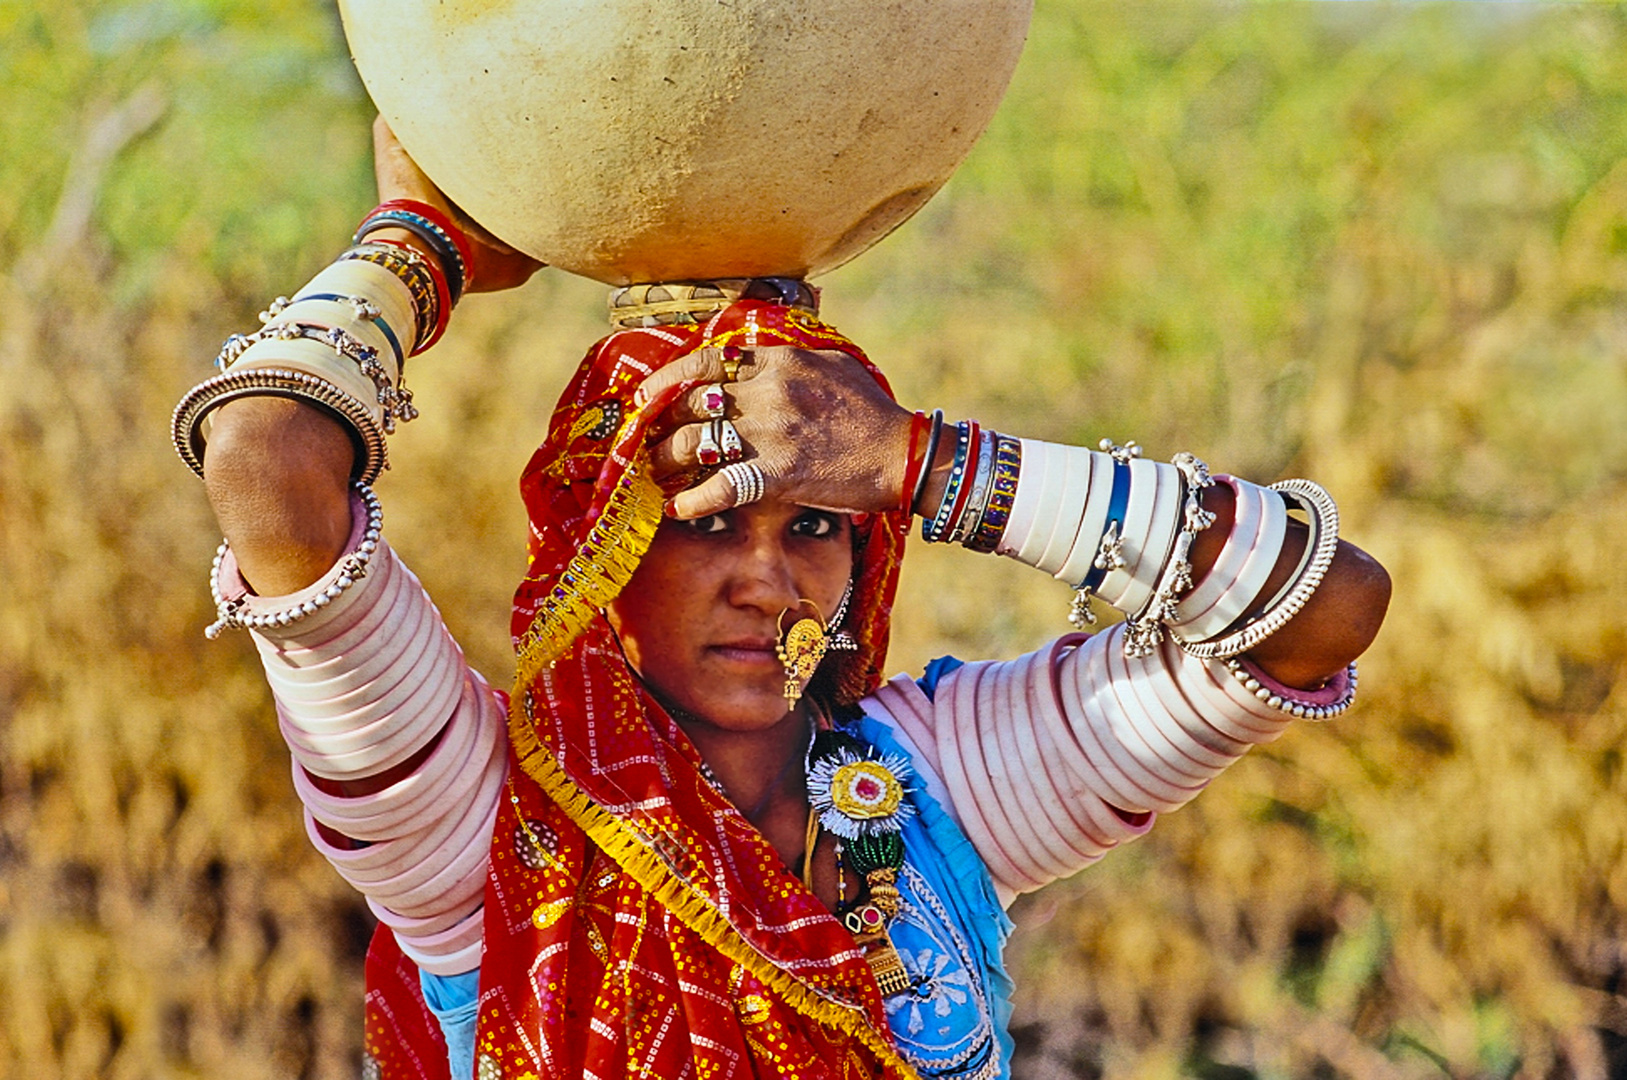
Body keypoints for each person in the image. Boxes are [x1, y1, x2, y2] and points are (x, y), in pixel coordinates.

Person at [178, 123, 1390, 1080]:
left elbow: (1321, 610)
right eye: (702, 527)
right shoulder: (467, 824)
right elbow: (265, 462)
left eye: (815, 525)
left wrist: (918, 462)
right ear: (598, 560)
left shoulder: (930, 794)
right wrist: (417, 248)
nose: (767, 578)